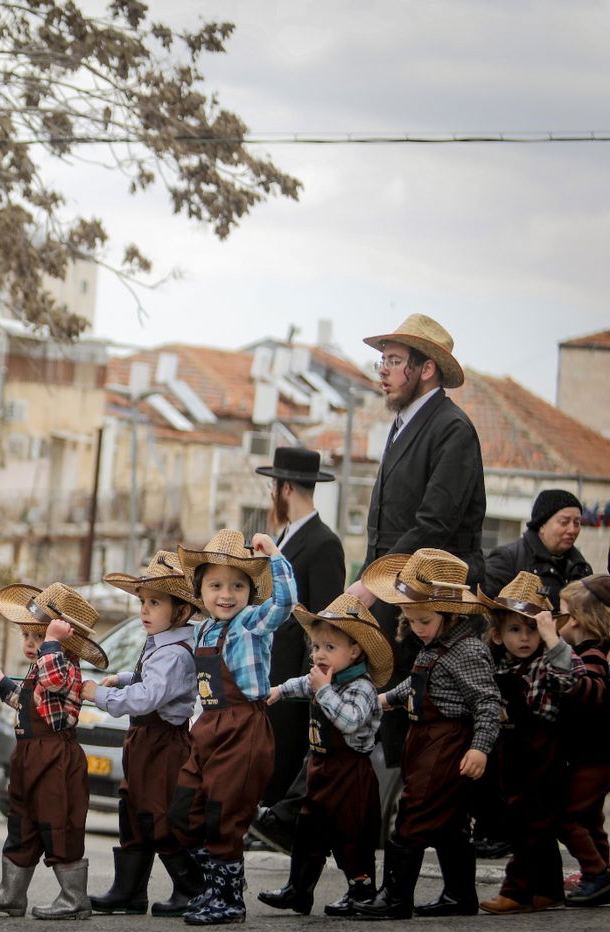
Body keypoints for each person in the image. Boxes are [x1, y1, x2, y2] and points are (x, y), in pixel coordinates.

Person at [345, 314, 486, 770]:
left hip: (430, 596)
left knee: (410, 718)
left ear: (426, 369)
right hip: (391, 587)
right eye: (381, 360)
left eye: (393, 360)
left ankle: (403, 823)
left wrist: (372, 580)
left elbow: (434, 525)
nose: (382, 370)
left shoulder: (452, 428)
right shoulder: (406, 421)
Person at [350, 548, 500, 921]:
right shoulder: (434, 647)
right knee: (449, 823)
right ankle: (460, 895)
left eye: (424, 620)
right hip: (424, 739)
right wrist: (385, 700)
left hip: (447, 744)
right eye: (410, 619)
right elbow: (416, 687)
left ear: (450, 614)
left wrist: (480, 749)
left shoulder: (467, 651)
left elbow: (487, 703)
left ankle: (395, 897)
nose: (416, 627)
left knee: (412, 815)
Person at [168, 528, 297, 925]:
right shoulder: (203, 630)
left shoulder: (251, 623)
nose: (227, 594)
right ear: (200, 590)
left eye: (237, 585)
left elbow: (286, 601)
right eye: (216, 585)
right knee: (183, 811)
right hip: (207, 727)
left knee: (224, 816)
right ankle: (217, 885)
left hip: (244, 728)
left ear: (248, 592)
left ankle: (229, 900)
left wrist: (275, 554)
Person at [0, 582, 108, 920]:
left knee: (58, 821)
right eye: (27, 637)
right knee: (22, 820)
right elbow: (27, 702)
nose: (32, 644)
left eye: (38, 637)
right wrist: (0, 681)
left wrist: (52, 642)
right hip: (29, 754)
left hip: (55, 757)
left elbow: (55, 680)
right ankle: (11, 893)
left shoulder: (64, 666)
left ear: (62, 640)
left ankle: (74, 897)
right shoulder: (42, 666)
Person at [83, 553, 202, 916]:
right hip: (143, 740)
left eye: (155, 603)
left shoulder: (175, 653)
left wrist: (99, 694)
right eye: (142, 602)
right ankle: (129, 890)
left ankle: (191, 888)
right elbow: (151, 683)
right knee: (132, 808)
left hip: (164, 743)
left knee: (159, 813)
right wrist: (121, 678)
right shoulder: (161, 644)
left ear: (181, 612)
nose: (144, 611)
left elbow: (149, 696)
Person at [259, 594, 392, 917]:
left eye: (330, 648)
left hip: (351, 774)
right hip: (320, 771)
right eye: (316, 647)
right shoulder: (323, 678)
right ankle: (298, 889)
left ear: (355, 651)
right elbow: (300, 684)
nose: (319, 654)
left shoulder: (361, 687)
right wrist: (277, 691)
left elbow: (349, 721)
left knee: (352, 834)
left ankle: (360, 890)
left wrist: (324, 690)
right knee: (308, 833)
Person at [250, 446, 347, 851]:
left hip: (295, 674)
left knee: (287, 754)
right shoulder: (285, 537)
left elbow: (325, 620)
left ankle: (281, 830)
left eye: (275, 485)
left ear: (284, 487)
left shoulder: (323, 542)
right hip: (270, 671)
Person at [476, 572, 584, 915]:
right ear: (497, 634)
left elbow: (571, 679)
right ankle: (549, 889)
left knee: (532, 827)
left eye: (532, 629)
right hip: (514, 757)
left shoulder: (546, 663)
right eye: (514, 630)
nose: (524, 637)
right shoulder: (502, 668)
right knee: (530, 826)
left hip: (544, 758)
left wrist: (553, 640)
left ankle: (517, 890)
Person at [555, 575, 610, 907]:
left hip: (596, 753)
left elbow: (592, 692)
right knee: (590, 818)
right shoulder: (591, 649)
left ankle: (596, 873)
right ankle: (603, 870)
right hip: (595, 752)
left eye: (561, 612)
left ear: (575, 618)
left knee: (566, 814)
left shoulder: (592, 653)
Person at [484, 489, 592, 606]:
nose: (572, 530)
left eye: (577, 523)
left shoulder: (580, 568)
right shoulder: (508, 558)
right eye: (564, 522)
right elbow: (487, 608)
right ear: (542, 525)